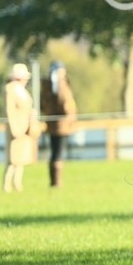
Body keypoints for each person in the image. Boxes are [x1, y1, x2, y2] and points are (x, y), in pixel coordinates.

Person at [40, 60, 77, 188]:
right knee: (58, 153)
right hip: (61, 125)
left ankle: (54, 181)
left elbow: (43, 105)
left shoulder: (46, 84)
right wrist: (69, 113)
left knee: (55, 152)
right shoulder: (59, 83)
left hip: (51, 123)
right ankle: (56, 182)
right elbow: (64, 103)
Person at [3, 63, 38, 192]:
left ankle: (17, 184)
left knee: (21, 158)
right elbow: (9, 110)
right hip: (16, 128)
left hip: (25, 127)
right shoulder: (10, 90)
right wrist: (14, 128)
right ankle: (7, 185)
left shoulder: (22, 91)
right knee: (12, 158)